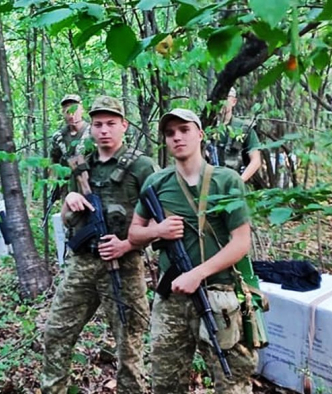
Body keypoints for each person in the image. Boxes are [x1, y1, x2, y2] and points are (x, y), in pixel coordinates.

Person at [128, 109, 258, 394]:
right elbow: (134, 234)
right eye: (170, 133)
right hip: (172, 297)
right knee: (165, 382)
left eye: (184, 130)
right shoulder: (157, 183)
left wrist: (196, 274)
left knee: (231, 381)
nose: (177, 137)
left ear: (200, 134)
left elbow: (240, 242)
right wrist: (157, 232)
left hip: (218, 294)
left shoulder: (226, 180)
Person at [41, 96, 154, 394]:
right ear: (91, 127)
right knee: (55, 333)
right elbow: (67, 219)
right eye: (98, 124)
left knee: (129, 348)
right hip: (82, 263)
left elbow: (164, 223)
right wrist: (69, 201)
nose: (104, 130)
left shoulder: (142, 167)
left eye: (111, 124)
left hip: (124, 266)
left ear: (124, 126)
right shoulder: (81, 167)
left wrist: (127, 244)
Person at [216, 87, 262, 183]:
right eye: (219, 97)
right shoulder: (206, 127)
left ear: (233, 101)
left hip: (233, 184)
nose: (222, 102)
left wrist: (239, 181)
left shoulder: (243, 127)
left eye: (225, 97)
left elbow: (256, 160)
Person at [49, 94, 91, 168]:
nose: (71, 116)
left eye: (75, 111)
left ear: (82, 111)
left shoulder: (92, 132)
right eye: (67, 112)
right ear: (63, 113)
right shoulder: (58, 137)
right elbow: (54, 163)